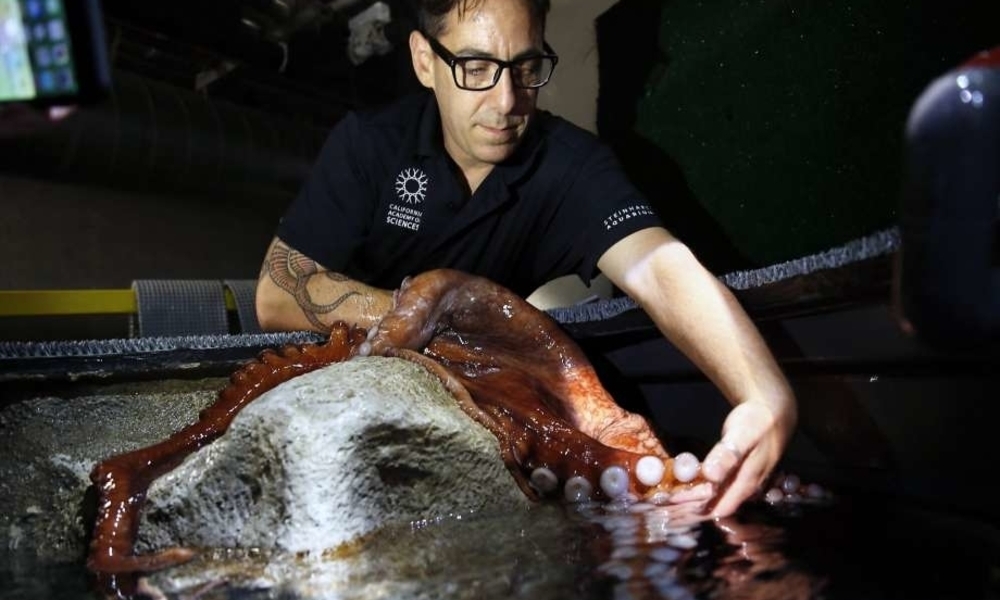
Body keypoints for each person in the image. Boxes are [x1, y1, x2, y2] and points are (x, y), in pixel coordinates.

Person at [255, 0, 797, 518]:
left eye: (525, 67)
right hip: (347, 379)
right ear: (425, 61)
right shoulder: (368, 145)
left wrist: (761, 393)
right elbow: (278, 293)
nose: (507, 101)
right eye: (475, 67)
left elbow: (660, 267)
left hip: (490, 399)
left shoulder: (571, 167)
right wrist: (447, 312)